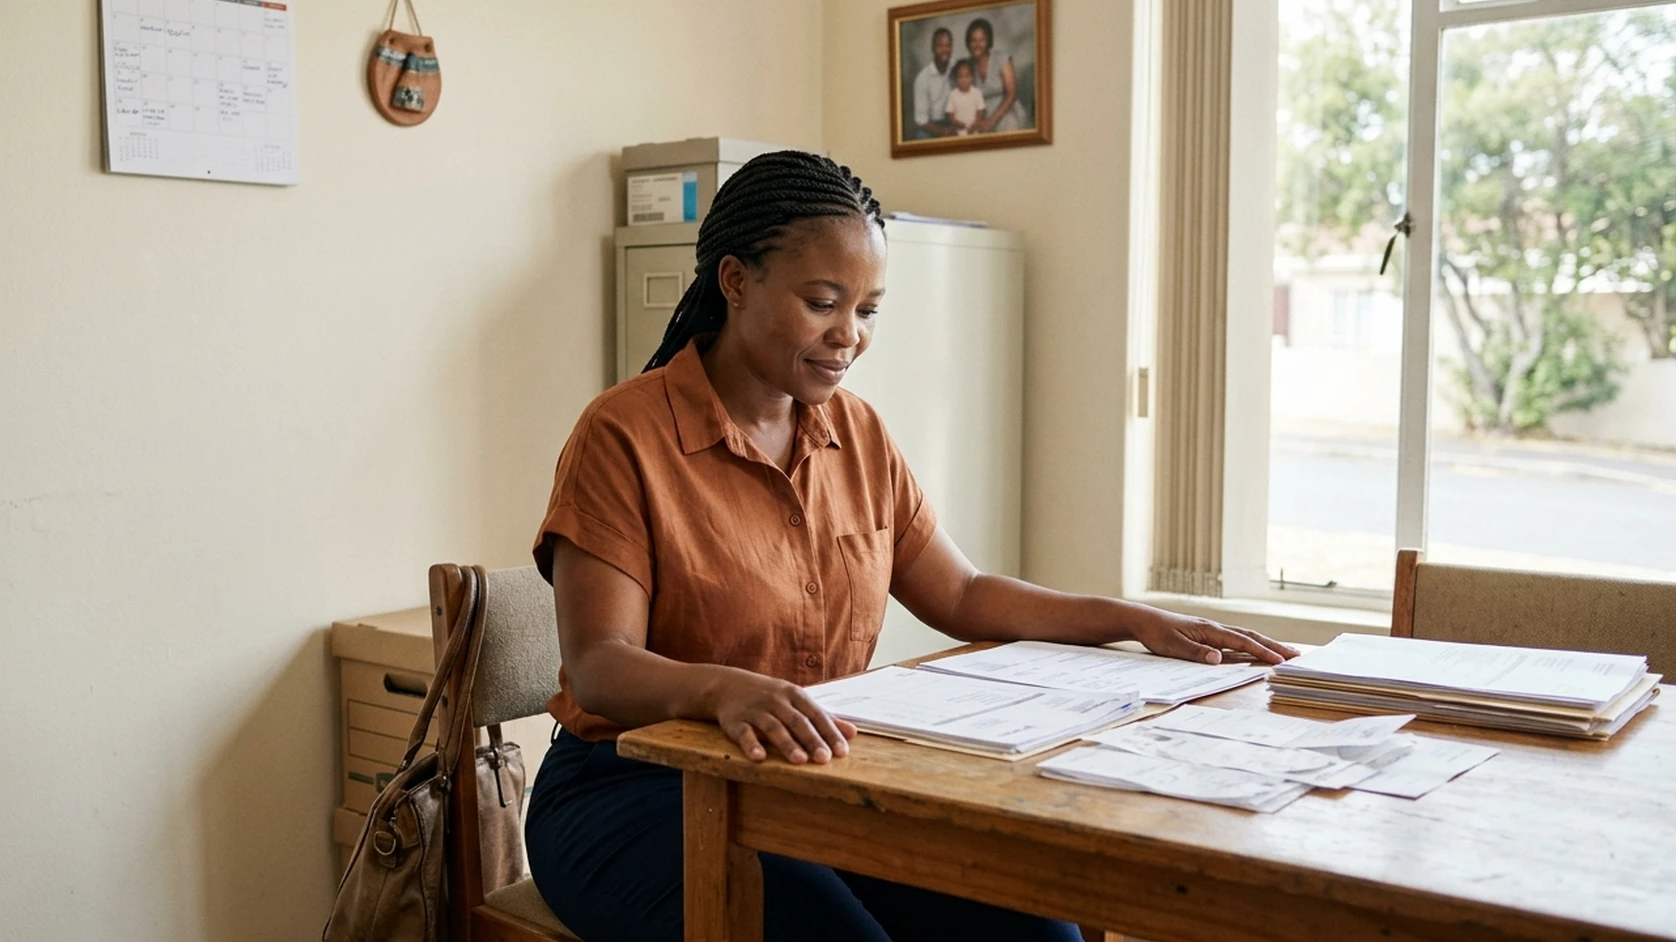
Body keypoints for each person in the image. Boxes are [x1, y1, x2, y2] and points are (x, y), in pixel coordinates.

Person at [523, 151, 1296, 942]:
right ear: (735, 280)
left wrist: (1131, 619)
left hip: (808, 780)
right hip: (632, 788)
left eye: (868, 310)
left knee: (1039, 932)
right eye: (823, 302)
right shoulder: (624, 433)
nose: (849, 337)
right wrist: (724, 691)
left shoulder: (855, 431)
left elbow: (959, 595)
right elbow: (601, 664)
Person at [965, 17, 1028, 134]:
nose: (977, 44)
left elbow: (1012, 93)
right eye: (973, 40)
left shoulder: (1001, 58)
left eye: (981, 40)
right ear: (968, 43)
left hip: (1006, 113)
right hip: (982, 118)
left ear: (988, 41)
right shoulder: (967, 67)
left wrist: (991, 121)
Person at [911, 27, 958, 139]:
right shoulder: (922, 78)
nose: (945, 50)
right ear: (933, 48)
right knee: (922, 137)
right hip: (932, 124)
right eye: (940, 46)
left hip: (954, 120)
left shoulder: (957, 67)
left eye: (948, 45)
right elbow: (921, 120)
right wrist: (944, 132)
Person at [944, 58, 986, 135]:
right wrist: (955, 122)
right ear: (956, 78)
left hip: (974, 128)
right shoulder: (953, 95)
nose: (964, 80)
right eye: (960, 77)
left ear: (972, 77)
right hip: (959, 129)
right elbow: (949, 113)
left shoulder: (977, 93)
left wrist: (975, 124)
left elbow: (980, 111)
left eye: (967, 76)